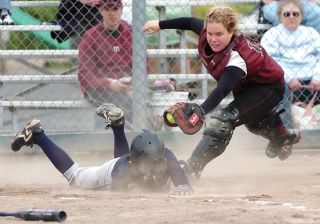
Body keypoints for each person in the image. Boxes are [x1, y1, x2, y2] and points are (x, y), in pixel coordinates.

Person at [143, 6, 301, 179]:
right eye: (210, 33)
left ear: (231, 32)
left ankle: (192, 168)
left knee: (223, 119)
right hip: (246, 86)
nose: (213, 39)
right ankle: (283, 137)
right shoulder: (206, 32)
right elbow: (188, 22)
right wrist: (159, 24)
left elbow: (222, 90)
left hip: (268, 87)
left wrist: (201, 111)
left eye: (219, 34)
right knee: (253, 123)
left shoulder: (236, 57)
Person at [10, 103, 193, 194]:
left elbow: (185, 186)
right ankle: (38, 135)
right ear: (134, 161)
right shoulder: (122, 171)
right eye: (148, 164)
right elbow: (122, 199)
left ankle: (117, 125)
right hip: (107, 174)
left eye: (156, 162)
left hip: (126, 161)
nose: (155, 166)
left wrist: (182, 187)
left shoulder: (167, 155)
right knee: (76, 176)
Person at [261, 0, 320, 129]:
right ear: (280, 15)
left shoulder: (311, 33)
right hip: (286, 79)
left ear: (302, 15)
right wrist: (289, 77)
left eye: (295, 13)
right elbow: (272, 62)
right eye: (287, 14)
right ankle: (287, 131)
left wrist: (317, 77)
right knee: (278, 87)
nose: (291, 16)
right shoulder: (271, 35)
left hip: (312, 77)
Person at [78, 0, 134, 122]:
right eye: (107, 9)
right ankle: (106, 137)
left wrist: (135, 85)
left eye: (115, 9)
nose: (111, 14)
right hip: (101, 88)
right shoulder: (90, 36)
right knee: (114, 101)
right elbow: (85, 74)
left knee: (132, 99)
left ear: (121, 10)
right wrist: (109, 84)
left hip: (127, 86)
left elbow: (142, 65)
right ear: (101, 11)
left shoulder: (131, 32)